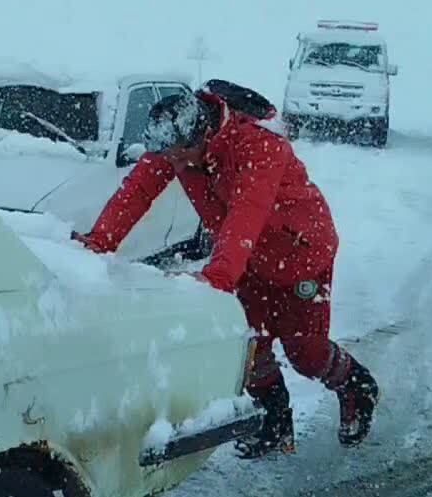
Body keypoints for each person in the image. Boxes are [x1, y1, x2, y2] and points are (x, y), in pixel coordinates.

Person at [72, 80, 379, 458]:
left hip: (300, 253)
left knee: (306, 353)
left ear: (203, 135)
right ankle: (275, 422)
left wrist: (218, 277)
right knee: (248, 345)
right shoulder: (176, 144)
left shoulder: (259, 147)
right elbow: (137, 191)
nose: (176, 166)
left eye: (182, 157)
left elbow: (246, 215)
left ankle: (357, 386)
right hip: (247, 260)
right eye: (170, 159)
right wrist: (100, 242)